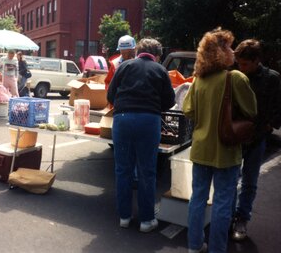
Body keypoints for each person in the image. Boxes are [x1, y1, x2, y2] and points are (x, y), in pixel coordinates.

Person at [182, 28, 257, 253]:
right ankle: (217, 249)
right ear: (220, 52)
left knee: (198, 199)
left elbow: (188, 110)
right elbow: (251, 110)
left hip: (201, 149)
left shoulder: (199, 80)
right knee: (223, 202)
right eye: (229, 46)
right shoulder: (235, 78)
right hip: (226, 151)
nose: (233, 51)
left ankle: (194, 245)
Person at [107, 38, 175, 233]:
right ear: (157, 55)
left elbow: (110, 95)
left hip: (122, 119)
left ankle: (124, 217)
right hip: (148, 120)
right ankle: (146, 220)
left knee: (123, 170)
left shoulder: (124, 66)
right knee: (147, 171)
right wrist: (152, 107)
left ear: (138, 51)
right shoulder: (160, 70)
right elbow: (169, 101)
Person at [231, 39, 281, 241]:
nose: (240, 68)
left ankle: (241, 219)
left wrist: (268, 126)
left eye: (244, 64)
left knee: (250, 181)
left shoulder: (272, 78)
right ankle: (226, 218)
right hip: (234, 137)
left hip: (257, 137)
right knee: (229, 180)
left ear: (256, 60)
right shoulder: (234, 75)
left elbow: (278, 108)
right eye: (238, 63)